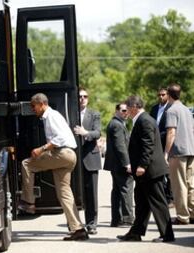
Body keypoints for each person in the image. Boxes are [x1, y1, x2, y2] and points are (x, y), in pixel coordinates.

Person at [18, 93, 89, 241]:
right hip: (67, 156)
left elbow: (61, 138)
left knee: (27, 164)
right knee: (64, 194)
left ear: (42, 104)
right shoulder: (50, 116)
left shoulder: (52, 116)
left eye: (34, 106)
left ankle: (28, 202)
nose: (33, 109)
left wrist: (42, 149)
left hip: (63, 153)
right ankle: (78, 229)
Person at [117, 95, 174, 242]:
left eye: (128, 108)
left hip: (150, 171)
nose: (127, 111)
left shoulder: (145, 120)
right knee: (141, 202)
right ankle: (136, 233)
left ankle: (167, 234)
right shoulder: (142, 120)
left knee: (158, 203)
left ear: (135, 106)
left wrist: (142, 165)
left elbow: (148, 145)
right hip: (146, 171)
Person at [164, 83, 194, 225]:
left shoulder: (172, 110)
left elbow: (171, 132)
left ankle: (182, 216)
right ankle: (192, 213)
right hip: (191, 150)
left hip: (178, 152)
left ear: (169, 95)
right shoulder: (187, 110)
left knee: (179, 184)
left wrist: (166, 152)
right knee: (191, 184)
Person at [73, 87, 102, 235]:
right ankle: (75, 225)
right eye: (79, 96)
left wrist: (85, 133)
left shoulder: (94, 114)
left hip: (91, 158)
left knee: (92, 194)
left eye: (85, 96)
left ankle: (92, 224)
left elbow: (98, 132)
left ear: (88, 98)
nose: (82, 99)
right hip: (75, 160)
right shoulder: (71, 113)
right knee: (75, 194)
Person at [103, 103, 134, 227]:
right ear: (117, 111)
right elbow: (120, 146)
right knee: (126, 189)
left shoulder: (117, 123)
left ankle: (117, 219)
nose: (126, 113)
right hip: (120, 165)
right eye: (123, 110)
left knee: (117, 191)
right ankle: (127, 219)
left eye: (127, 110)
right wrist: (127, 163)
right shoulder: (117, 124)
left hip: (116, 165)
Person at [150, 88, 174, 206]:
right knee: (158, 170)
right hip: (155, 144)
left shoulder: (171, 108)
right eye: (159, 94)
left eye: (163, 95)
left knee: (168, 172)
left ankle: (170, 198)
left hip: (168, 144)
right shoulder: (154, 109)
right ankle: (162, 195)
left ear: (168, 95)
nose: (160, 97)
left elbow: (171, 129)